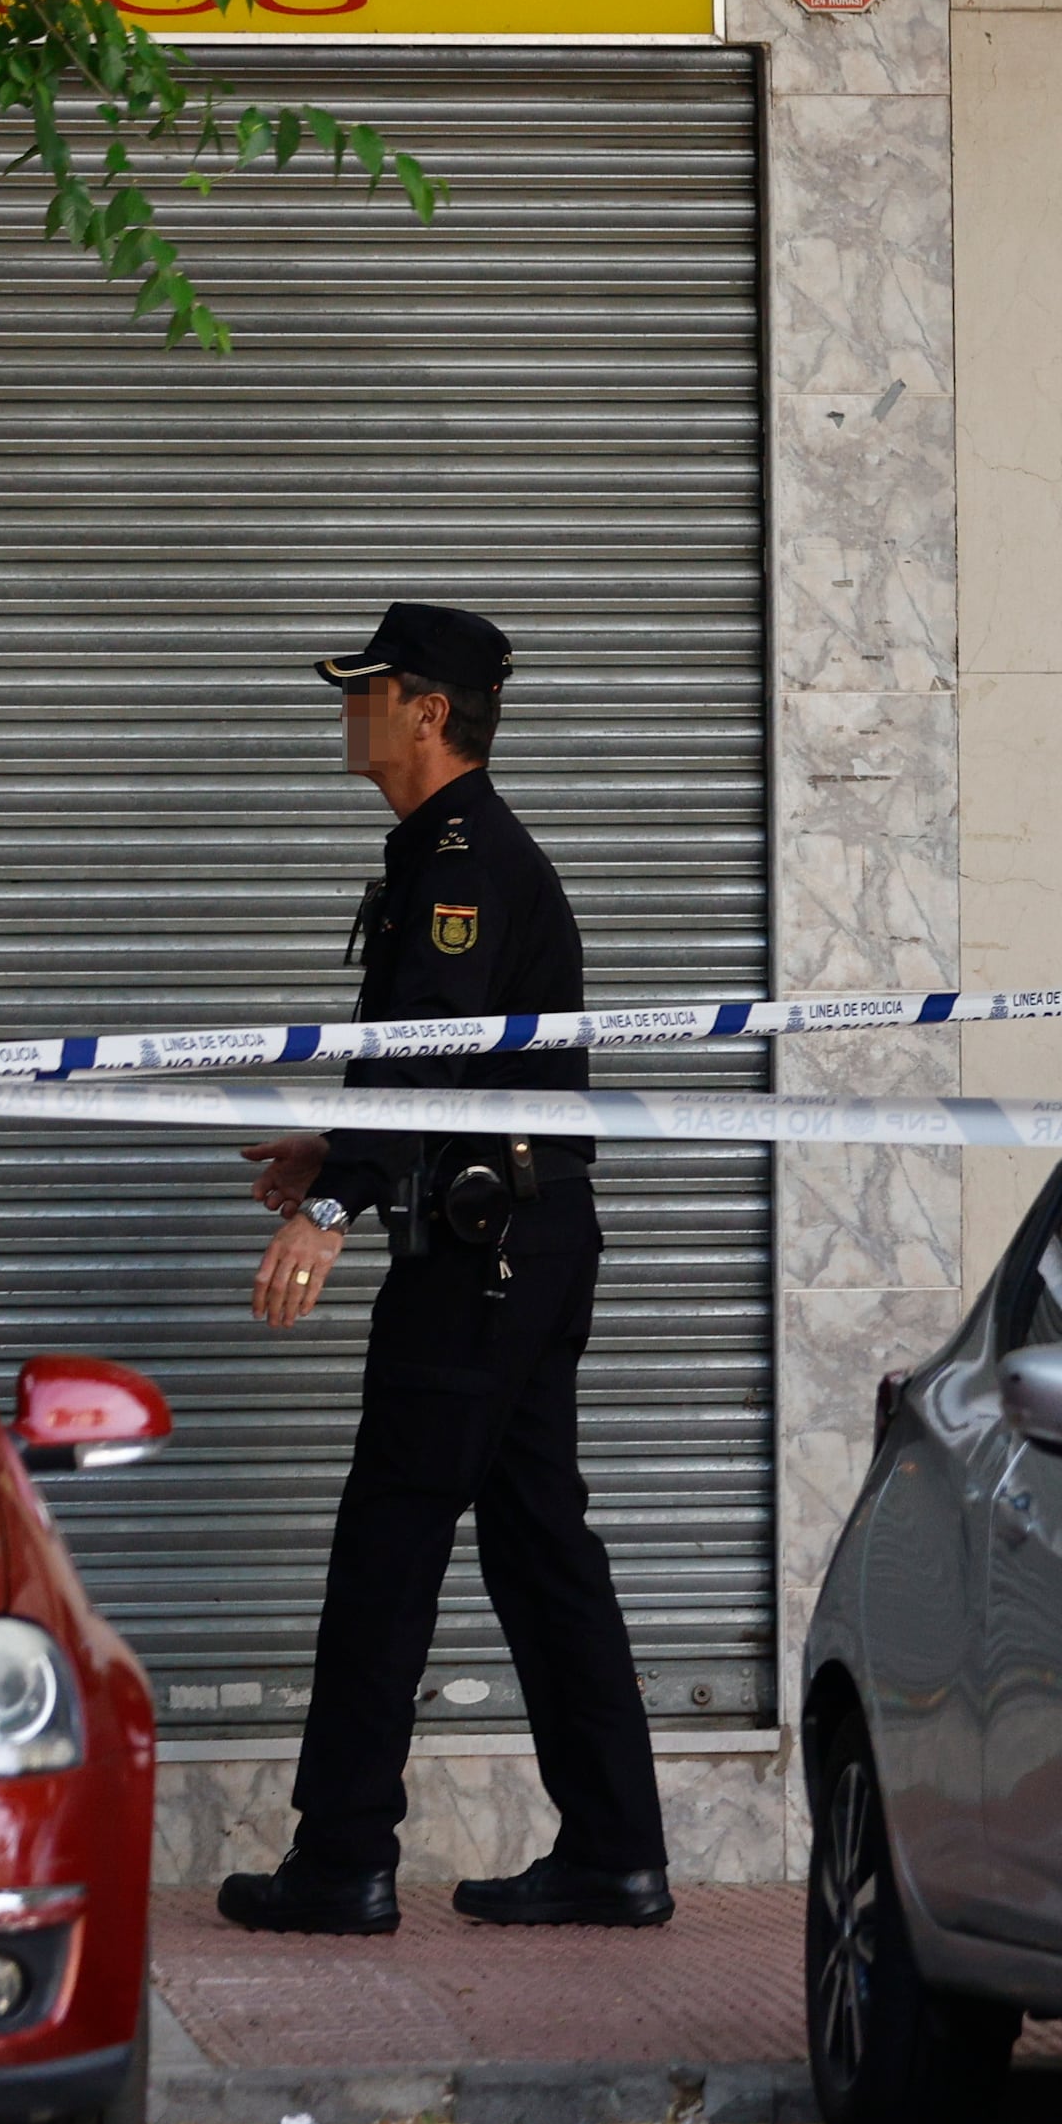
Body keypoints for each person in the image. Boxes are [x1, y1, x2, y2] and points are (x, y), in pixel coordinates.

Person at [221, 604, 670, 1937]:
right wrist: (336, 1146)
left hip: (483, 1251)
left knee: (389, 1539)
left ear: (428, 710)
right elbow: (445, 1063)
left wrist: (341, 1201)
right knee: (540, 1549)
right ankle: (616, 1851)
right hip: (516, 1235)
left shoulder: (467, 858)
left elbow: (428, 1049)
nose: (347, 708)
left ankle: (343, 1858)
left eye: (368, 690)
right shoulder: (443, 851)